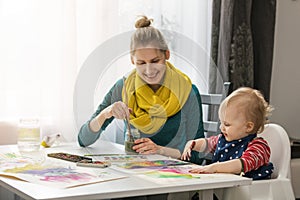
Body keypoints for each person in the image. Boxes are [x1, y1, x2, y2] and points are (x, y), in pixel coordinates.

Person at [78, 16, 204, 164]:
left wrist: (160, 150)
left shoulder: (188, 91)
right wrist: (106, 113)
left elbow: (196, 155)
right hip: (136, 171)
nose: (149, 70)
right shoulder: (124, 87)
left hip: (174, 176)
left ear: (167, 55)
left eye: (155, 61)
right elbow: (83, 139)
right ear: (133, 61)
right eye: (141, 63)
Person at [181, 87, 274, 180]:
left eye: (227, 124)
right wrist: (193, 144)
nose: (221, 128)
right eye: (221, 122)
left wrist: (215, 167)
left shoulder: (259, 147)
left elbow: (241, 164)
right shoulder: (223, 140)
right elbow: (207, 144)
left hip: (250, 190)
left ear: (248, 127)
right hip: (225, 186)